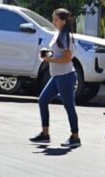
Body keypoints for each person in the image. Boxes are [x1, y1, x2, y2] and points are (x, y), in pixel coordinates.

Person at [29, 9, 81, 148]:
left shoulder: (66, 37)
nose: (54, 22)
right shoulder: (58, 34)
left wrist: (51, 60)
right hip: (57, 76)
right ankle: (45, 134)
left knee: (69, 106)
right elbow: (58, 53)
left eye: (56, 19)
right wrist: (48, 54)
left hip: (66, 76)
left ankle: (75, 137)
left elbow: (68, 57)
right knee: (43, 100)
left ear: (64, 21)